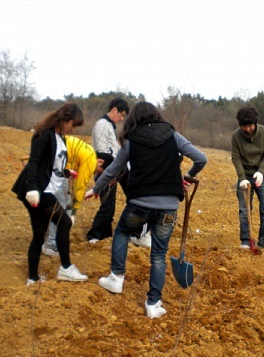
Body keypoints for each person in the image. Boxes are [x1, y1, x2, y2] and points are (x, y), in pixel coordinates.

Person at [85, 102, 207, 319]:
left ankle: (116, 278)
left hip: (140, 204)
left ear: (134, 119)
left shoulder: (131, 140)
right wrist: (188, 176)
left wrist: (96, 188)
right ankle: (153, 303)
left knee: (122, 232)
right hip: (169, 207)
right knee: (158, 254)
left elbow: (113, 169)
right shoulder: (172, 135)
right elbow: (201, 158)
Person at [12, 103, 88, 284]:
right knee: (65, 222)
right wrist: (31, 187)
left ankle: (32, 278)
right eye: (73, 124)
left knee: (40, 234)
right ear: (65, 118)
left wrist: (66, 172)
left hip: (46, 189)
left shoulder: (60, 138)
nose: (72, 129)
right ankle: (66, 268)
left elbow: (51, 165)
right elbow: (34, 162)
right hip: (39, 191)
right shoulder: (44, 134)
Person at [87, 98, 153, 247]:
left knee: (135, 198)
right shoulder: (102, 125)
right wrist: (110, 173)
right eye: (121, 115)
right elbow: (103, 153)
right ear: (114, 110)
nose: (122, 119)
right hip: (106, 169)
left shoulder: (109, 126)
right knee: (108, 206)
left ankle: (138, 232)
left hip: (118, 168)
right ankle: (95, 235)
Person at [42, 136, 99, 257]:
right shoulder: (91, 160)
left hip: (55, 166)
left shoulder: (87, 150)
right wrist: (74, 209)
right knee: (60, 209)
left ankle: (50, 241)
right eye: (99, 171)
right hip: (57, 172)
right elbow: (80, 185)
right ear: (100, 162)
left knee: (58, 206)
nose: (96, 172)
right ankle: (51, 245)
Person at [231, 107, 264, 253]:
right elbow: (236, 158)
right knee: (244, 210)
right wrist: (242, 178)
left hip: (262, 175)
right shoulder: (236, 136)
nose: (248, 129)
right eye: (244, 126)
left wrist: (261, 172)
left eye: (250, 125)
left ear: (255, 122)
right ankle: (246, 240)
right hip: (245, 176)